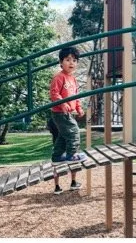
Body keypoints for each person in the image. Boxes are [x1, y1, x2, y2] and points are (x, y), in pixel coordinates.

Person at [49, 47, 86, 194]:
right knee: (74, 132)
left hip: (68, 113)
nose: (71, 63)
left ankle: (57, 155)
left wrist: (79, 107)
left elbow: (75, 96)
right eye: (68, 60)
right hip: (59, 112)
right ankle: (71, 154)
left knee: (64, 136)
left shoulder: (73, 79)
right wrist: (62, 103)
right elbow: (54, 94)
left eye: (74, 60)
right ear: (61, 62)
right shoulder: (59, 77)